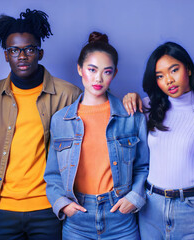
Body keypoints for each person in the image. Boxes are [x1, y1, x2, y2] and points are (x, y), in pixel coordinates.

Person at [0, 9, 81, 239]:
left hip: (49, 208)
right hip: (3, 210)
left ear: (40, 52)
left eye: (29, 49)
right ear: (6, 55)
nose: (22, 55)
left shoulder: (68, 95)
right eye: (14, 50)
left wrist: (129, 99)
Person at [44, 32, 149, 239]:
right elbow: (53, 174)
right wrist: (63, 205)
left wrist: (134, 198)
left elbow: (143, 166)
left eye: (106, 72)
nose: (99, 78)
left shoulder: (131, 117)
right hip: (77, 219)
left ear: (115, 73)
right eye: (92, 70)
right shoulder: (60, 120)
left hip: (120, 216)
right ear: (80, 69)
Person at [124, 42, 194, 239]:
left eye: (174, 70)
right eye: (160, 76)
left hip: (191, 210)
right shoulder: (147, 107)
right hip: (151, 208)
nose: (169, 80)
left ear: (188, 69)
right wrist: (130, 96)